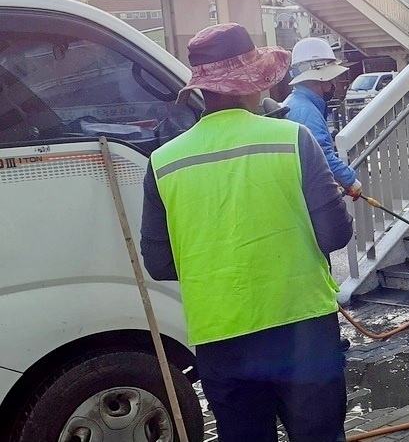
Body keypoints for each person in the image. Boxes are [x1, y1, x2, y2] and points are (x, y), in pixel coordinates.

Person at [140, 23, 353, 442]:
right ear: (251, 83)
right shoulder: (294, 139)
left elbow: (159, 262)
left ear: (204, 91)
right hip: (302, 329)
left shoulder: (164, 162)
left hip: (221, 339)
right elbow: (335, 234)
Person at [284, 37, 362, 200]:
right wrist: (350, 180)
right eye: (331, 79)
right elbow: (322, 156)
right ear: (320, 79)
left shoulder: (297, 103)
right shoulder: (306, 111)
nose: (334, 84)